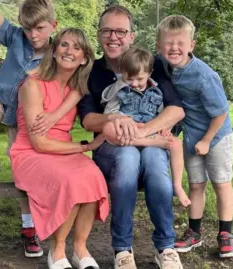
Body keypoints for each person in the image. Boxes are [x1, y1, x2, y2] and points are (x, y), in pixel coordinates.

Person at [77, 5, 185, 269]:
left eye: (120, 31)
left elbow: (176, 108)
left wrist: (142, 132)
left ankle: (166, 248)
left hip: (150, 142)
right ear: (99, 34)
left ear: (132, 36)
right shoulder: (92, 71)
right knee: (126, 160)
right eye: (106, 30)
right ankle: (123, 250)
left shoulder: (151, 63)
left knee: (157, 164)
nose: (113, 37)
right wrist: (115, 120)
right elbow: (88, 118)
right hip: (113, 147)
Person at [9, 28, 109, 269]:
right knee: (73, 180)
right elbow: (39, 142)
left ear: (84, 58)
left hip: (61, 148)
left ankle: (80, 247)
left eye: (76, 48)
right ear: (54, 51)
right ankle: (58, 249)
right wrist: (83, 146)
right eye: (64, 45)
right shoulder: (33, 84)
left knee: (93, 176)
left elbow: (79, 97)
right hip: (31, 152)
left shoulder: (76, 88)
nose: (69, 51)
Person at [0, 0, 57, 257]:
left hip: (26, 118)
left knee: (24, 175)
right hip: (1, 103)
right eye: (28, 28)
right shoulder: (15, 38)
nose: (33, 35)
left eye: (40, 28)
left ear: (53, 25)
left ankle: (28, 229)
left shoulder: (57, 55)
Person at [156, 15, 233, 258]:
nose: (174, 48)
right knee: (196, 185)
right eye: (168, 43)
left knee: (221, 183)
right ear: (159, 46)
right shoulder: (166, 68)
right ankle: (194, 233)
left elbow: (221, 113)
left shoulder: (204, 75)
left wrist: (206, 140)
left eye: (180, 42)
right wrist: (172, 128)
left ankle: (226, 234)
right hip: (192, 135)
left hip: (217, 135)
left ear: (192, 45)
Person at [101, 47, 190, 207]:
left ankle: (177, 185)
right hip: (128, 132)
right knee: (109, 130)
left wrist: (166, 128)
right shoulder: (118, 90)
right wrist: (124, 120)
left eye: (140, 79)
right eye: (129, 79)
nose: (134, 84)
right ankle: (148, 143)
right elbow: (110, 114)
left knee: (176, 143)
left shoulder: (156, 91)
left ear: (150, 73)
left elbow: (162, 114)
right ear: (122, 72)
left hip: (148, 132)